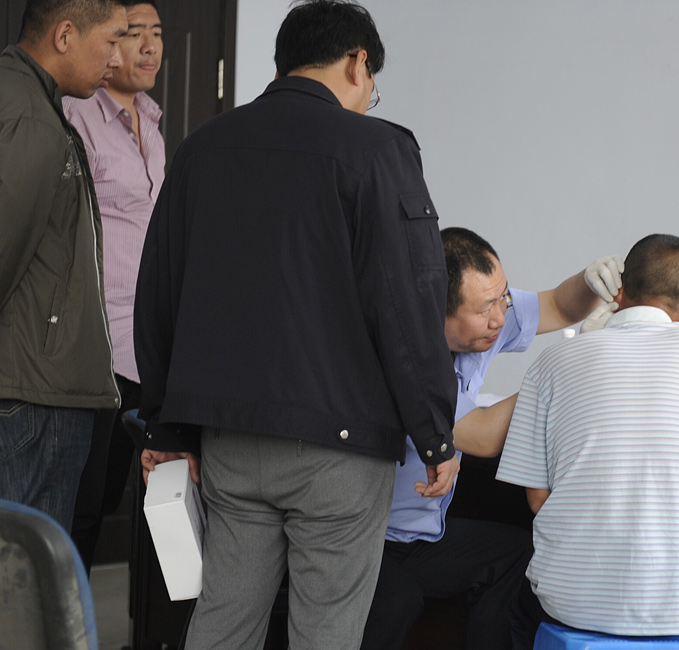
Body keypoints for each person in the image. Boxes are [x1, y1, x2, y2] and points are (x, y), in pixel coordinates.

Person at [133, 1, 458, 648]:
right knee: (326, 629)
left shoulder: (201, 148)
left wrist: (166, 427)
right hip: (341, 448)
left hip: (230, 441)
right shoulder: (377, 149)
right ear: (358, 63)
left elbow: (160, 293)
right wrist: (434, 433)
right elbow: (408, 301)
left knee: (224, 621)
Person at [361, 226, 623, 650]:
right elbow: (481, 436)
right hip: (367, 540)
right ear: (434, 311)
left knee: (518, 554)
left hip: (423, 536)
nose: (500, 319)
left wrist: (590, 281)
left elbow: (559, 305)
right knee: (397, 602)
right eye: (486, 309)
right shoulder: (404, 359)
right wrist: (566, 368)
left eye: (503, 299)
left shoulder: (487, 321)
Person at [497, 234, 679, 644]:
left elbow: (537, 500)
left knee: (510, 610)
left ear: (618, 292)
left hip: (571, 603)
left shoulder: (552, 362)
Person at [0, 0, 127, 534]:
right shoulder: (29, 116)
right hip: (32, 399)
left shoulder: (31, 101)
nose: (117, 58)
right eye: (112, 40)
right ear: (66, 34)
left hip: (35, 389)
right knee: (25, 576)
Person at [62, 0, 164, 572]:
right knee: (81, 502)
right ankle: (57, 611)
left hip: (144, 343)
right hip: (94, 344)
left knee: (127, 495)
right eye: (132, 34)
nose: (149, 47)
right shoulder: (77, 117)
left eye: (156, 33)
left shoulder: (152, 122)